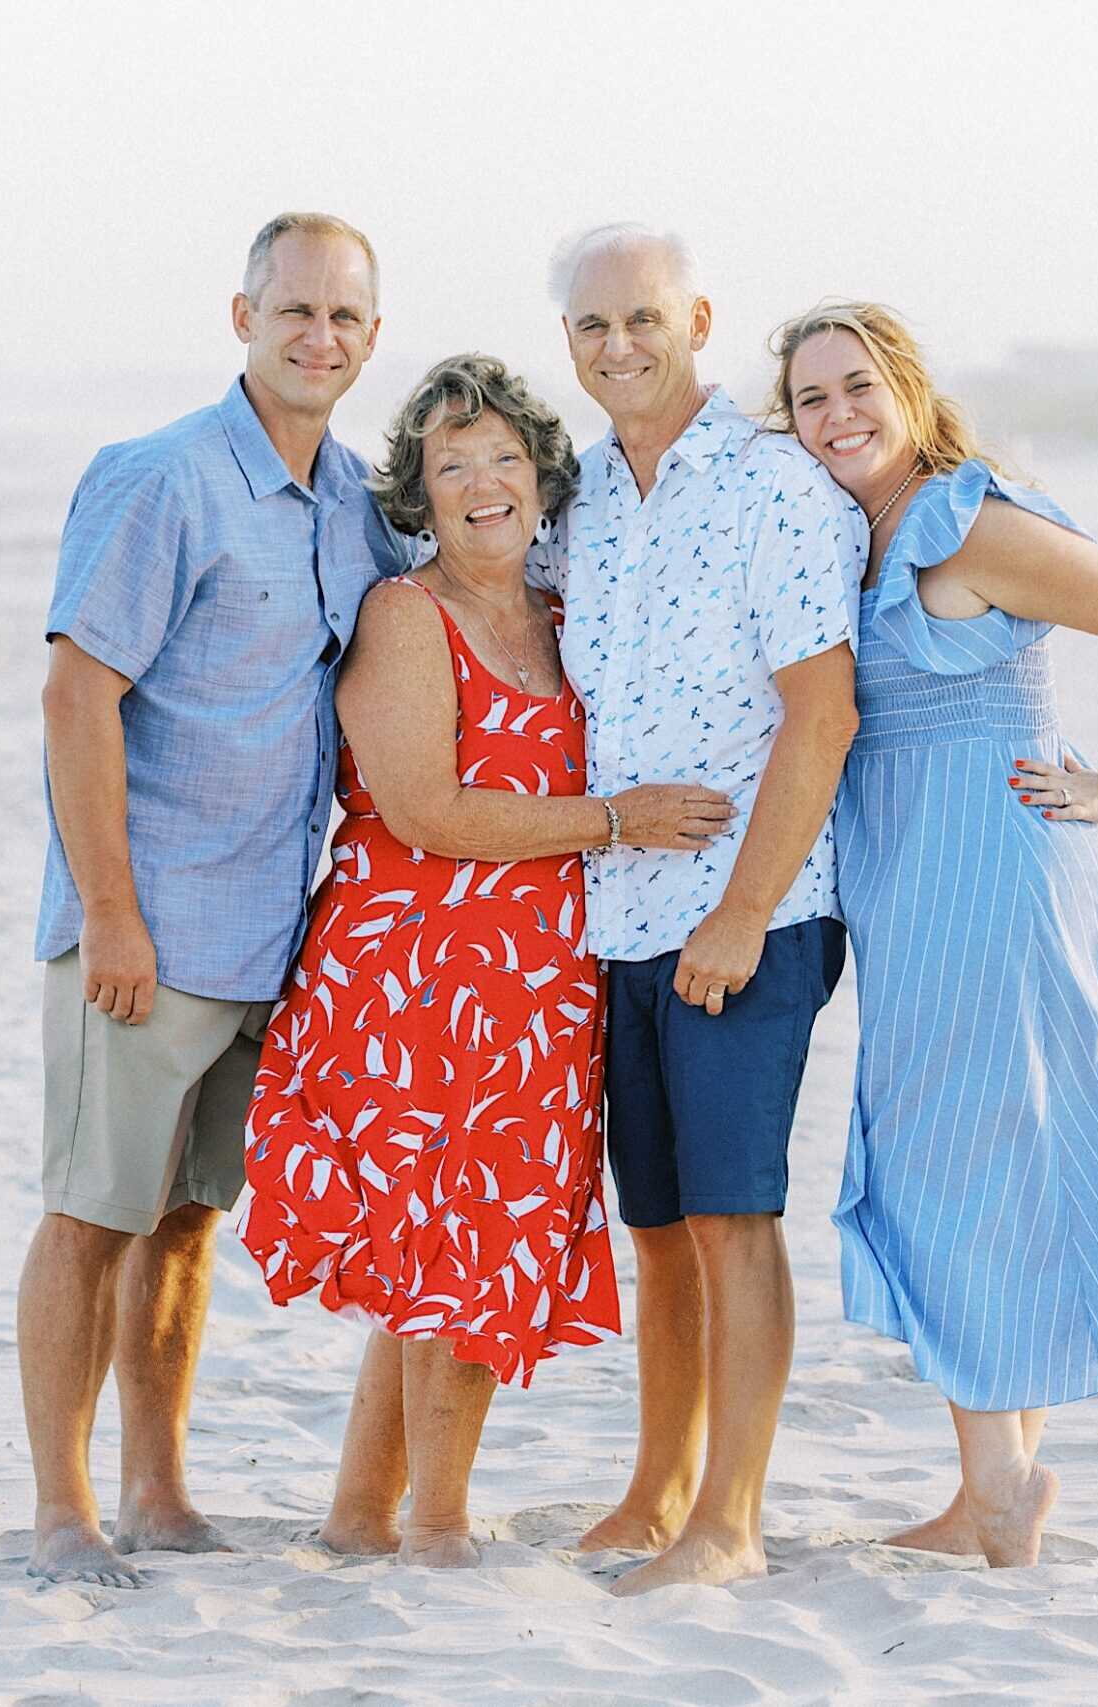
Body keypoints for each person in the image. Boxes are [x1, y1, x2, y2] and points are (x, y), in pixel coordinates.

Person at [770, 301, 1098, 1568]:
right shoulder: (853, 534)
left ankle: (995, 1491)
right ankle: (995, 1482)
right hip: (931, 892)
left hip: (1007, 888)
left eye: (857, 387)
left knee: (953, 1161)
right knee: (989, 1155)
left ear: (910, 392)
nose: (837, 416)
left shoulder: (960, 521)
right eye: (811, 398)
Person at [238, 354, 734, 1568]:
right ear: (416, 493)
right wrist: (620, 818)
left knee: (439, 1253)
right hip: (413, 980)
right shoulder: (409, 617)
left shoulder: (561, 614)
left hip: (531, 985)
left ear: (541, 475)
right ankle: (440, 1526)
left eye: (503, 457)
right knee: (455, 1248)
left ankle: (362, 1521)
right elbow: (427, 812)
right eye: (449, 466)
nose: (481, 484)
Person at [16, 212, 405, 1588]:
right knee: (91, 1211)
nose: (320, 336)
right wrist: (111, 908)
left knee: (186, 1217)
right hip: (147, 927)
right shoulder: (161, 477)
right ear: (241, 317)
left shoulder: (357, 498)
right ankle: (63, 1508)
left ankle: (157, 1490)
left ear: (372, 336)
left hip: (267, 935)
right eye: (294, 309)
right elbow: (78, 692)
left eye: (346, 317)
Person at [538, 226, 867, 1595]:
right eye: (593, 324)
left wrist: (739, 913)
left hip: (753, 910)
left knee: (734, 1216)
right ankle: (657, 1484)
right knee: (658, 1221)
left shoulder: (776, 485)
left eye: (644, 318)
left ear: (699, 319)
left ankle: (730, 1517)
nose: (619, 345)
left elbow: (822, 710)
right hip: (620, 911)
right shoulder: (589, 499)